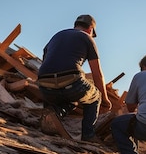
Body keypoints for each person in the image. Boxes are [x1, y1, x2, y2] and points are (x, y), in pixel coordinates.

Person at [36, 14, 112, 142]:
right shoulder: (87, 38)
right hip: (71, 81)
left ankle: (52, 114)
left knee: (70, 99)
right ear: (90, 29)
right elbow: (97, 73)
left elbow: (46, 61)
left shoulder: (57, 35)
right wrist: (105, 99)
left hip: (44, 84)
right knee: (95, 96)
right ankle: (88, 135)